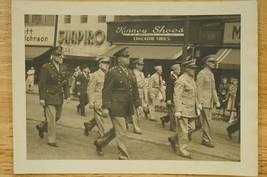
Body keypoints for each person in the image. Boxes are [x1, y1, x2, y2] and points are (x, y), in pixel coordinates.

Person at [93, 47, 142, 160]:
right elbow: (106, 91)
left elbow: (134, 90)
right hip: (116, 106)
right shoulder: (112, 72)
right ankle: (123, 156)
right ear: (119, 59)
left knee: (118, 129)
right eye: (125, 56)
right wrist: (106, 107)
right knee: (122, 131)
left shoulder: (130, 72)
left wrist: (138, 104)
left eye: (128, 56)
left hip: (127, 107)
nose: (128, 58)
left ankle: (100, 143)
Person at [36, 46, 71, 147]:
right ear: (53, 56)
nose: (60, 57)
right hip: (49, 96)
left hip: (59, 96)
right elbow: (42, 83)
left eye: (61, 55)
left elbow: (66, 83)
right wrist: (42, 98)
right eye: (58, 55)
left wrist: (67, 95)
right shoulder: (46, 67)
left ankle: (42, 126)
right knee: (51, 119)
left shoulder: (64, 67)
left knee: (57, 117)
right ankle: (51, 140)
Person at [167, 59, 200, 159]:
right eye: (192, 68)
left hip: (191, 109)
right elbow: (177, 95)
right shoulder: (181, 80)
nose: (194, 70)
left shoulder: (191, 79)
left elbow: (194, 94)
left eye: (195, 68)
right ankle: (183, 150)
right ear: (186, 68)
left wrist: (197, 105)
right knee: (184, 130)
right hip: (183, 109)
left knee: (192, 128)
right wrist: (178, 110)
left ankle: (174, 138)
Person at [196, 54, 220, 148]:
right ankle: (206, 140)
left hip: (209, 102)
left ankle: (178, 136)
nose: (214, 64)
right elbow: (199, 89)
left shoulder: (211, 73)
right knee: (207, 121)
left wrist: (216, 100)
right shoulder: (202, 73)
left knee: (200, 123)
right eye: (212, 62)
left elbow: (213, 89)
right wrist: (199, 102)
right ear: (207, 63)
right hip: (204, 102)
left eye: (214, 62)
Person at [83, 57, 110, 137]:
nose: (106, 65)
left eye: (107, 63)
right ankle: (102, 135)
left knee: (101, 116)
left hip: (106, 100)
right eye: (104, 63)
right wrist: (91, 101)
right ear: (100, 64)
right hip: (98, 100)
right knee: (100, 117)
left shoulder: (109, 74)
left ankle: (88, 125)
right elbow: (90, 88)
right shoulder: (95, 75)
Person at [160, 64, 181, 132]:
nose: (180, 71)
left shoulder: (177, 78)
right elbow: (168, 90)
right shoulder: (170, 78)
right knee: (173, 113)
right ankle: (173, 127)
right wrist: (168, 99)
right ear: (175, 70)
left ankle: (164, 119)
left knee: (173, 112)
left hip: (176, 98)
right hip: (171, 98)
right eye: (178, 69)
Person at [131, 58, 146, 134]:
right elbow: (135, 85)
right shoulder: (132, 73)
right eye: (140, 65)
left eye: (142, 65)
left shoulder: (142, 74)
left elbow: (144, 85)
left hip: (141, 92)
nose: (142, 66)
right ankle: (137, 128)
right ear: (136, 65)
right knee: (135, 111)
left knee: (137, 111)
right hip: (134, 92)